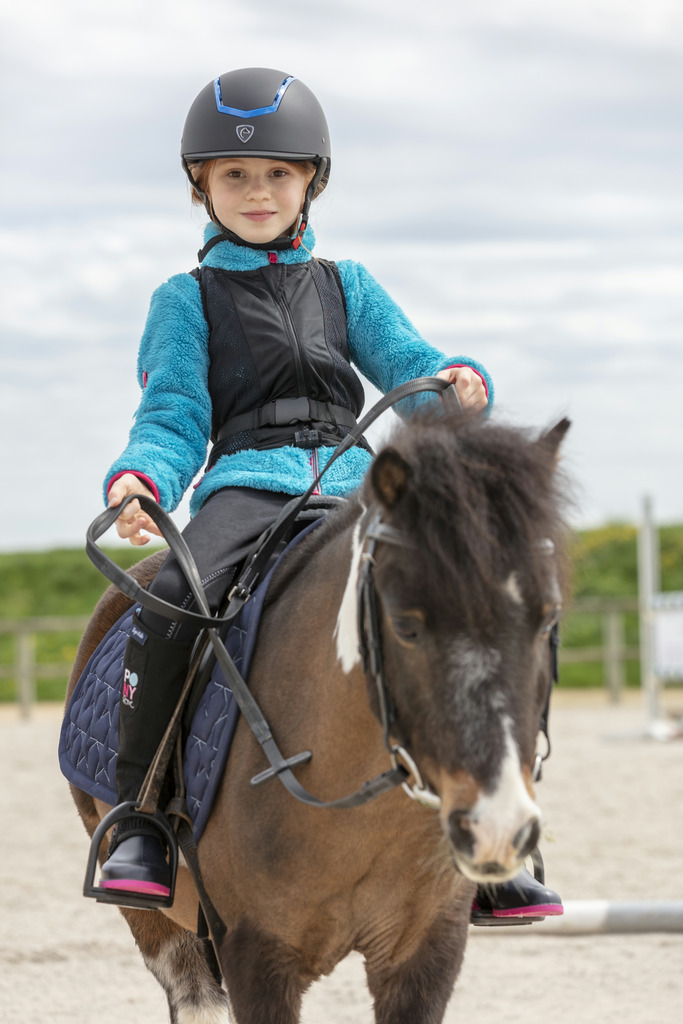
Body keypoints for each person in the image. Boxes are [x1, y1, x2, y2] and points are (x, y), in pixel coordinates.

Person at [97, 67, 561, 923]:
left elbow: (411, 373)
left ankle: (504, 833)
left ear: (311, 180)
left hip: (357, 490)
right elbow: (172, 415)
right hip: (247, 488)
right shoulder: (184, 300)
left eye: (278, 173)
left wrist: (458, 383)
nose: (258, 191)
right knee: (174, 597)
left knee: (476, 601)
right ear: (202, 186)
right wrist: (142, 478)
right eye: (236, 175)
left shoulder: (349, 285)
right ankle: (140, 818)